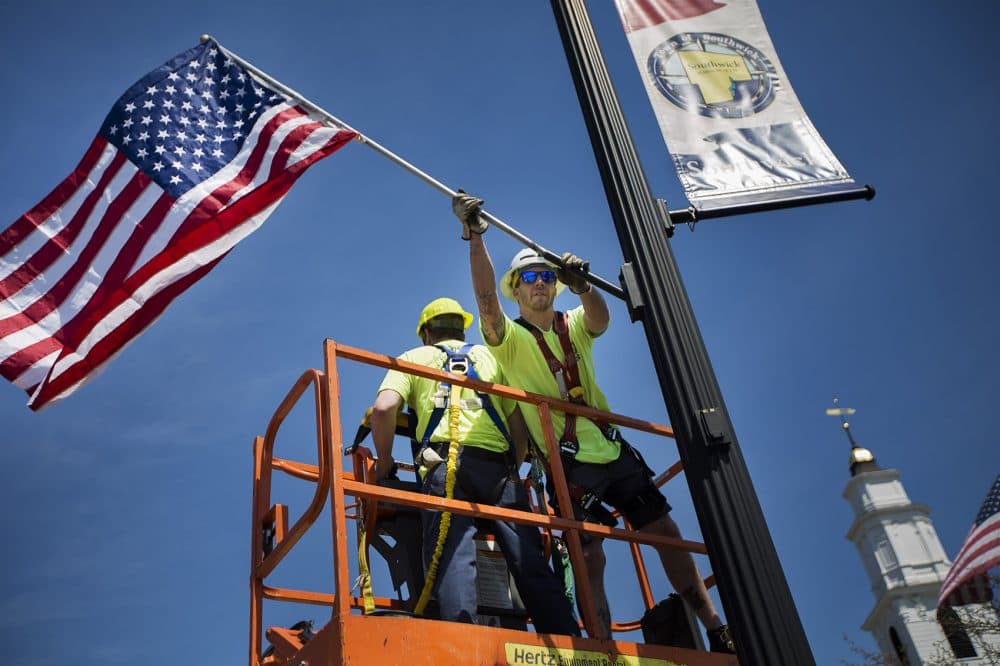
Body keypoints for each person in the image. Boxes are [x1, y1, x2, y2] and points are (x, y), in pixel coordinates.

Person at [452, 192, 735, 652]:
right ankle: (600, 645)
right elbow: (485, 301)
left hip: (609, 448)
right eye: (529, 278)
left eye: (545, 276)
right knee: (589, 551)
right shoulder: (509, 341)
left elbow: (601, 319)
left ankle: (714, 624)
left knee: (664, 532)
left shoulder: (573, 322)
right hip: (568, 463)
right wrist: (474, 236)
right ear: (517, 289)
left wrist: (584, 285)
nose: (539, 283)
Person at [369, 296, 580, 636]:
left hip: (446, 468)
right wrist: (515, 463)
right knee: (528, 557)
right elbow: (518, 421)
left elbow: (383, 409)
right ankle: (565, 636)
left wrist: (384, 464)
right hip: (500, 472)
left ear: (426, 333)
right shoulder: (489, 357)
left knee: (454, 557)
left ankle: (463, 640)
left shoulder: (412, 358)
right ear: (461, 326)